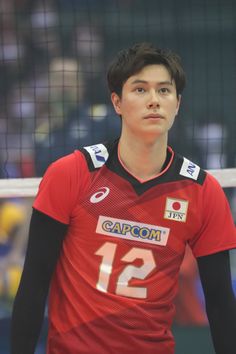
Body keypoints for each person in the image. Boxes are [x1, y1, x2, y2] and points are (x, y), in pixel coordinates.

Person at [11, 42, 236, 354]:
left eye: (164, 91)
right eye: (140, 90)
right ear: (117, 102)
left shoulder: (203, 192)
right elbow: (34, 283)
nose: (154, 101)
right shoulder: (71, 174)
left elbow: (221, 302)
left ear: (178, 104)